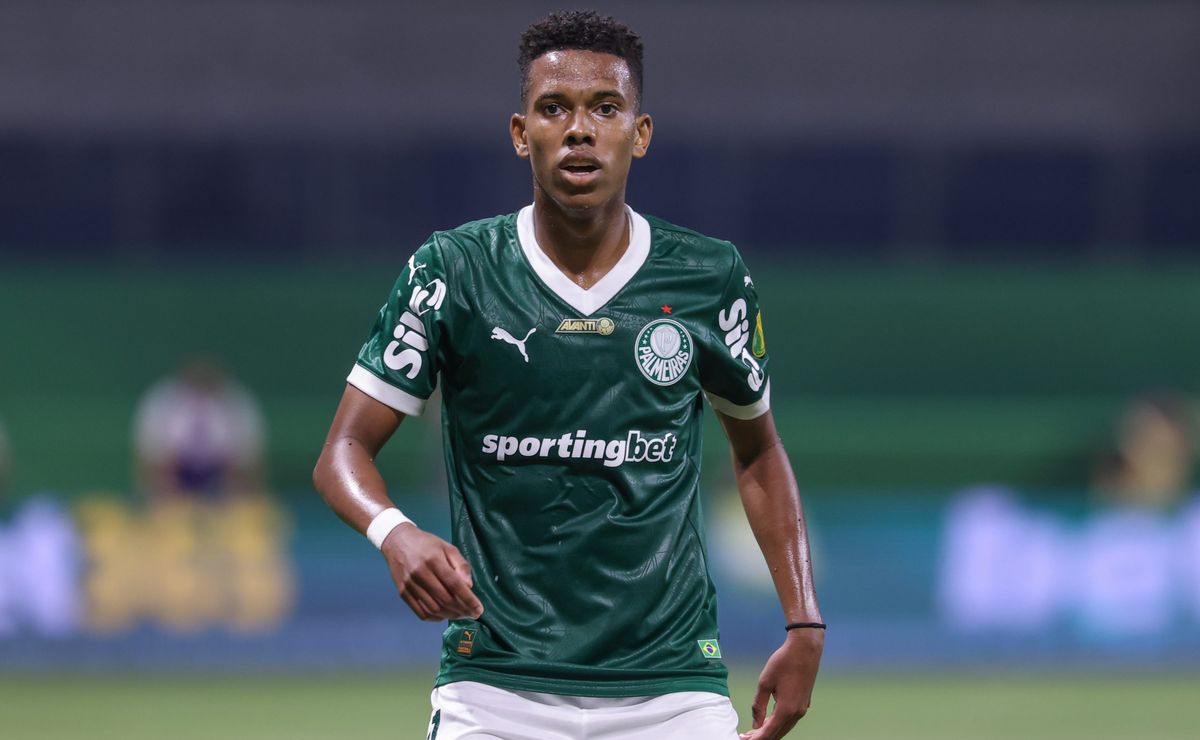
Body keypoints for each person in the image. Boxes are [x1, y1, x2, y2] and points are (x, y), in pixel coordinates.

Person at [313, 11, 822, 739]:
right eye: (555, 108)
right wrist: (395, 533)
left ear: (640, 134)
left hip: (673, 690)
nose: (580, 129)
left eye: (605, 108)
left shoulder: (709, 277)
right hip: (493, 688)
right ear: (522, 133)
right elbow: (342, 451)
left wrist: (804, 622)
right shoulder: (453, 271)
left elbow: (759, 451)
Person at [133, 356, 266, 500]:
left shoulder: (236, 403)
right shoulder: (163, 402)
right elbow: (149, 457)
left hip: (220, 473)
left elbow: (249, 459)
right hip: (178, 474)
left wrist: (241, 490)